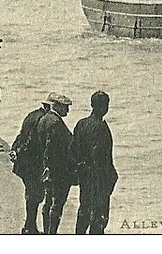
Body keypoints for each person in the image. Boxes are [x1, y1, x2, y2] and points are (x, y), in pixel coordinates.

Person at [71, 91, 118, 234]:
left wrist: (80, 168)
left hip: (85, 175)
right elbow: (100, 157)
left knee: (84, 208)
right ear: (104, 107)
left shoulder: (81, 123)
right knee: (99, 216)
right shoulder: (100, 127)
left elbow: (73, 150)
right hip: (99, 178)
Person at [10, 95, 53, 234]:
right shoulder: (43, 120)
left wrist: (14, 150)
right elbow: (31, 141)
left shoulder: (32, 115)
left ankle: (29, 226)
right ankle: (30, 228)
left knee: (31, 194)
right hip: (32, 164)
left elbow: (22, 135)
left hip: (24, 162)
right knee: (35, 196)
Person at [38, 93, 75, 234]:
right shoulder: (56, 123)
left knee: (48, 202)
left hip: (48, 169)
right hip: (58, 171)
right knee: (57, 204)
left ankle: (47, 231)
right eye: (65, 107)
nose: (67, 110)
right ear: (57, 106)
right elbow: (53, 148)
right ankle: (51, 232)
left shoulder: (44, 119)